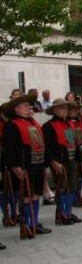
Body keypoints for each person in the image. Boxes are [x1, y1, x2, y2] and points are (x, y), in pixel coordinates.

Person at [2, 94, 52, 240]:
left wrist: (45, 164)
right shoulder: (11, 125)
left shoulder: (33, 123)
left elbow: (42, 144)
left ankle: (34, 223)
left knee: (36, 194)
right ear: (16, 109)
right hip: (24, 167)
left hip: (37, 165)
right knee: (25, 196)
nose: (28, 108)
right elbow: (8, 148)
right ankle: (26, 224)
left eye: (28, 105)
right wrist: (14, 166)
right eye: (24, 106)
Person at [42, 98, 82, 226]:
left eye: (66, 108)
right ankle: (62, 214)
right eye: (61, 108)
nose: (65, 110)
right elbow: (46, 147)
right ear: (55, 110)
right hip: (59, 162)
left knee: (71, 187)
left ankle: (68, 212)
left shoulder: (68, 124)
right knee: (62, 188)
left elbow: (73, 143)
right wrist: (53, 162)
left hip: (70, 161)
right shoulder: (48, 126)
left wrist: (76, 160)